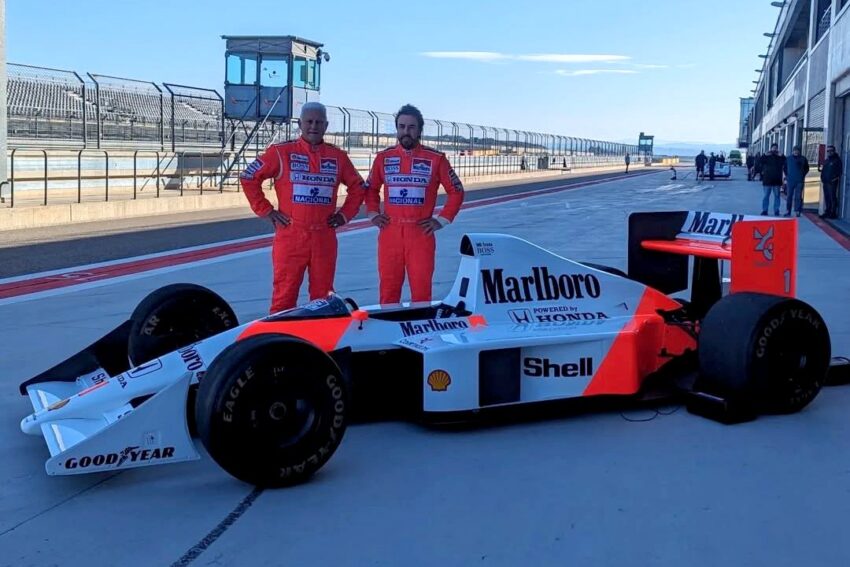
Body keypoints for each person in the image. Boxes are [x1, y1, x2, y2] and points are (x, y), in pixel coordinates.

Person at [240, 102, 367, 313]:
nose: (313, 126)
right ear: (300, 124)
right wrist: (266, 210)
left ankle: (320, 333)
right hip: (291, 236)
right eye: (309, 121)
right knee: (284, 296)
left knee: (324, 298)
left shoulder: (338, 157)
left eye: (318, 122)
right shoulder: (281, 152)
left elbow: (358, 187)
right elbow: (248, 177)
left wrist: (344, 215)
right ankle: (281, 333)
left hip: (324, 237)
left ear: (326, 126)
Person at [366, 103, 465, 305]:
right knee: (388, 292)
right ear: (397, 129)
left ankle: (421, 324)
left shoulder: (436, 159)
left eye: (411, 127)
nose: (406, 131)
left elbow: (457, 191)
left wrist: (442, 220)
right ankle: (390, 324)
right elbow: (370, 189)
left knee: (421, 293)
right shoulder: (383, 158)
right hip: (390, 233)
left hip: (420, 233)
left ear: (419, 130)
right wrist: (373, 213)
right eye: (401, 127)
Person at [760, 143, 786, 216]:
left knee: (777, 196)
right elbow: (760, 161)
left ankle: (776, 210)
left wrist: (782, 155)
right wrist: (764, 155)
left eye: (775, 148)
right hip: (767, 180)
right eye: (773, 147)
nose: (774, 149)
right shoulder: (767, 156)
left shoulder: (780, 157)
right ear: (771, 148)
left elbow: (786, 162)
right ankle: (765, 210)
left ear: (777, 148)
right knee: (766, 196)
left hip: (777, 181)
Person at [784, 145, 809, 217]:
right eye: (795, 150)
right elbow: (785, 168)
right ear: (793, 151)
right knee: (789, 196)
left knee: (798, 196)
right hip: (790, 180)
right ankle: (788, 211)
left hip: (799, 181)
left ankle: (797, 211)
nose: (796, 152)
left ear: (799, 151)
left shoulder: (803, 159)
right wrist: (787, 176)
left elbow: (807, 168)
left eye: (797, 150)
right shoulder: (788, 159)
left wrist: (802, 175)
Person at [820, 145, 843, 219]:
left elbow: (839, 172)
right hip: (825, 182)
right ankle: (828, 211)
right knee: (827, 197)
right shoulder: (827, 160)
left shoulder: (837, 160)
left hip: (832, 182)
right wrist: (822, 178)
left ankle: (833, 213)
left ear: (834, 151)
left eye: (831, 151)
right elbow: (823, 170)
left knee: (832, 197)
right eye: (828, 151)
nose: (829, 152)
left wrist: (834, 179)